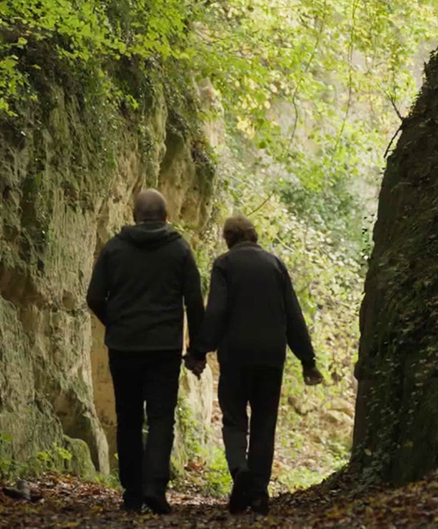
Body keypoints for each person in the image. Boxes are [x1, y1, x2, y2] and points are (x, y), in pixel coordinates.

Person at [185, 215, 323, 515]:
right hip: (271, 358)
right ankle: (259, 492)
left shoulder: (224, 265)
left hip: (235, 356)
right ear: (254, 235)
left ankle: (240, 470)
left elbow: (217, 311)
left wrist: (199, 351)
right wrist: (307, 360)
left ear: (228, 238)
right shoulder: (275, 265)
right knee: (264, 422)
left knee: (234, 419)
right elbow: (293, 315)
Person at [86, 189, 205, 515]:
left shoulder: (115, 248)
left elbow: (94, 296)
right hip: (163, 349)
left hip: (124, 347)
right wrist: (196, 349)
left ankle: (132, 494)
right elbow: (194, 302)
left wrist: (115, 323)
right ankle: (155, 487)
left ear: (134, 215)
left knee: (128, 418)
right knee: (161, 418)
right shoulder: (180, 249)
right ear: (166, 216)